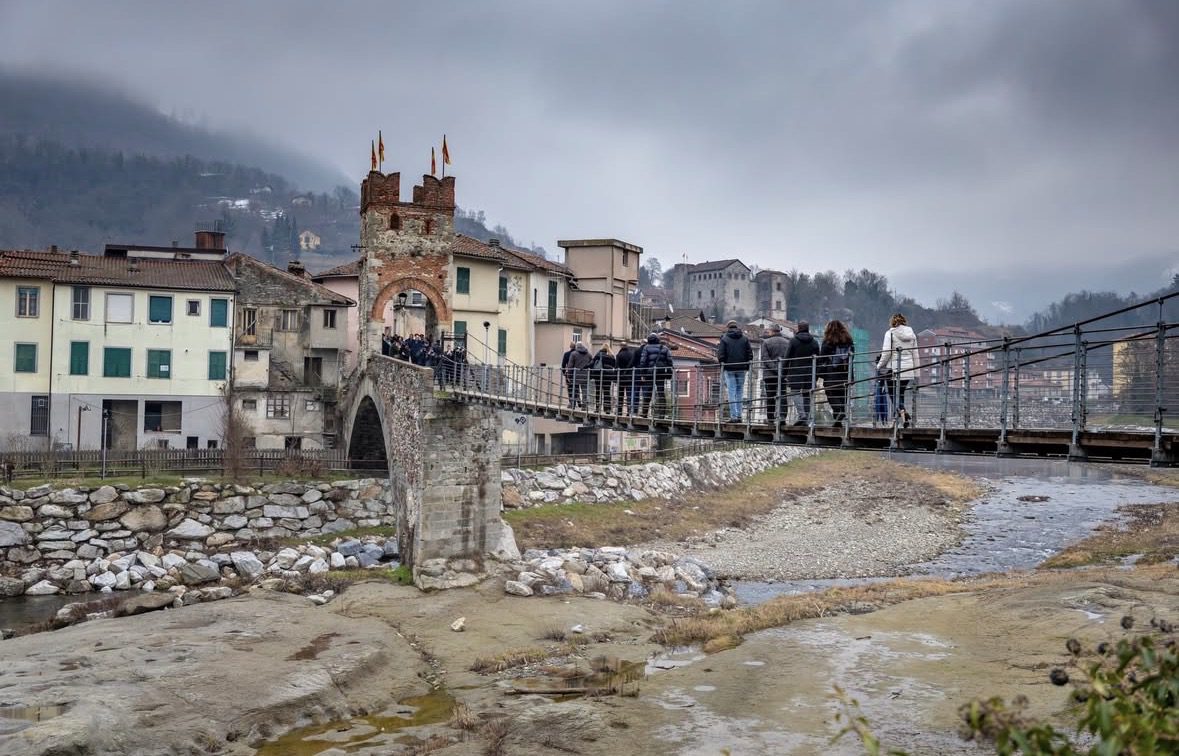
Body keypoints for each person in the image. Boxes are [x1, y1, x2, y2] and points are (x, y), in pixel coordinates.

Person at [875, 313, 918, 427]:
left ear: (893, 322)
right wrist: (916, 373)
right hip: (908, 370)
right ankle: (900, 419)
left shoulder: (890, 333)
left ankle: (902, 412)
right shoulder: (912, 334)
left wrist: (879, 365)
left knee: (893, 395)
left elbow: (886, 353)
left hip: (894, 370)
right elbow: (915, 353)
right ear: (904, 321)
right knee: (900, 393)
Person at [783, 320, 820, 426]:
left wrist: (784, 373)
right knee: (807, 394)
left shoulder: (793, 341)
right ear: (808, 328)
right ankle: (807, 418)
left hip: (795, 372)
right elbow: (818, 359)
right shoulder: (814, 342)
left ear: (798, 328)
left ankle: (802, 415)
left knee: (795, 392)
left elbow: (787, 358)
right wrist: (816, 375)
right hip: (810, 373)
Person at [818, 319, 854, 424]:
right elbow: (852, 358)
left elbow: (822, 358)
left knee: (831, 393)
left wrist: (821, 372)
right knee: (843, 394)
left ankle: (838, 411)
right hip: (845, 371)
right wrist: (851, 376)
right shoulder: (848, 341)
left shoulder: (828, 341)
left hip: (831, 373)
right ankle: (839, 418)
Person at [716, 320, 753, 421]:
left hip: (729, 368)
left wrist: (722, 364)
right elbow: (750, 354)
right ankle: (740, 415)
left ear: (728, 328)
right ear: (737, 327)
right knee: (740, 391)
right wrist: (747, 365)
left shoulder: (724, 338)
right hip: (742, 368)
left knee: (731, 392)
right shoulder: (745, 339)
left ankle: (734, 416)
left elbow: (721, 354)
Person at [759, 323, 790, 423]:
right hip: (783, 374)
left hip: (770, 375)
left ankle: (771, 418)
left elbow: (765, 358)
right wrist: (781, 369)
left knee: (770, 396)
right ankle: (782, 418)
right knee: (783, 395)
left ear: (771, 331)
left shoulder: (766, 342)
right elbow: (789, 358)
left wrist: (775, 368)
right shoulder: (787, 342)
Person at [638, 333, 673, 417]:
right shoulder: (665, 348)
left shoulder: (646, 348)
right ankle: (662, 413)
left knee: (648, 392)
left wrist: (643, 374)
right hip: (661, 373)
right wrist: (668, 373)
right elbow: (670, 362)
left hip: (650, 373)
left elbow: (643, 362)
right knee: (661, 392)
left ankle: (644, 412)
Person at [590, 344, 617, 412]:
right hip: (608, 376)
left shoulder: (598, 355)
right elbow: (615, 365)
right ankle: (607, 409)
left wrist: (585, 368)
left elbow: (592, 363)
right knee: (607, 392)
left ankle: (597, 408)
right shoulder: (611, 356)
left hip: (599, 376)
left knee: (598, 392)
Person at [615, 341, 638, 415]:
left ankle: (619, 411)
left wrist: (615, 377)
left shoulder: (619, 355)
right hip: (630, 377)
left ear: (621, 346)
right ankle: (629, 411)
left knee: (620, 395)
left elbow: (616, 367)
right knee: (629, 395)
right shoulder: (632, 354)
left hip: (621, 377)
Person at [568, 341, 593, 408]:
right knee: (585, 390)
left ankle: (572, 404)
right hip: (585, 375)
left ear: (576, 346)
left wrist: (569, 375)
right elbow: (591, 364)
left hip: (575, 375)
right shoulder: (589, 354)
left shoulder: (573, 354)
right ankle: (584, 405)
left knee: (574, 390)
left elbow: (570, 366)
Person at [560, 341, 577, 406]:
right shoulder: (578, 353)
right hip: (577, 373)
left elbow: (563, 365)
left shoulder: (566, 354)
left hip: (569, 373)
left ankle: (571, 402)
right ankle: (578, 402)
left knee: (570, 388)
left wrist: (564, 373)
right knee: (576, 388)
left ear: (570, 346)